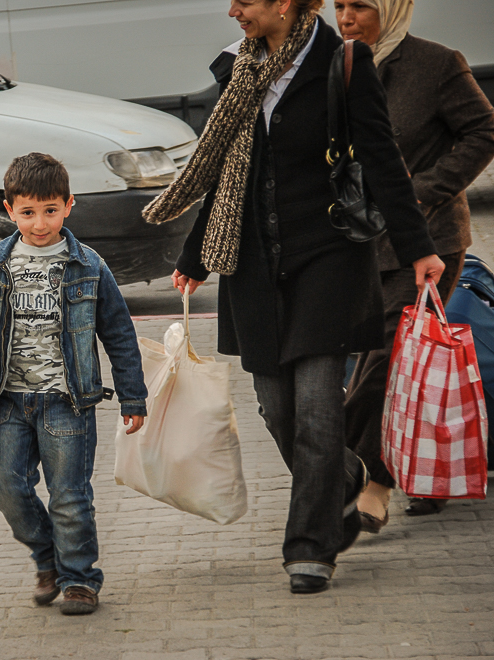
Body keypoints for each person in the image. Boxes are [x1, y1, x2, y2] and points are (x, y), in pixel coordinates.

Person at [143, 0, 445, 594]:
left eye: (246, 1)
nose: (233, 11)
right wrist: (196, 255)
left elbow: (382, 162)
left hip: (327, 258)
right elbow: (230, 172)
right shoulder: (237, 69)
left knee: (315, 410)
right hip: (254, 264)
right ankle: (344, 477)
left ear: (283, 3)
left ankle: (310, 549)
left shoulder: (343, 63)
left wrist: (418, 248)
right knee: (277, 409)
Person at [0, 153, 148, 615]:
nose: (39, 223)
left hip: (67, 401)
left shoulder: (88, 265)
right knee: (4, 484)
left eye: (50, 210)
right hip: (9, 399)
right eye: (28, 212)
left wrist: (133, 394)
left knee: (70, 495)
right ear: (9, 209)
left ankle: (80, 580)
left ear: (68, 205)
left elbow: (117, 333)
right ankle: (46, 555)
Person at [336, 0, 494, 527]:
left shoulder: (436, 63)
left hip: (428, 242)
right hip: (357, 246)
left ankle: (370, 480)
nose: (346, 17)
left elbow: (483, 132)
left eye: (360, 6)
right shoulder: (337, 67)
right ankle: (423, 475)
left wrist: (422, 190)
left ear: (392, 8)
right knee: (391, 366)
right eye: (339, 5)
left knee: (388, 362)